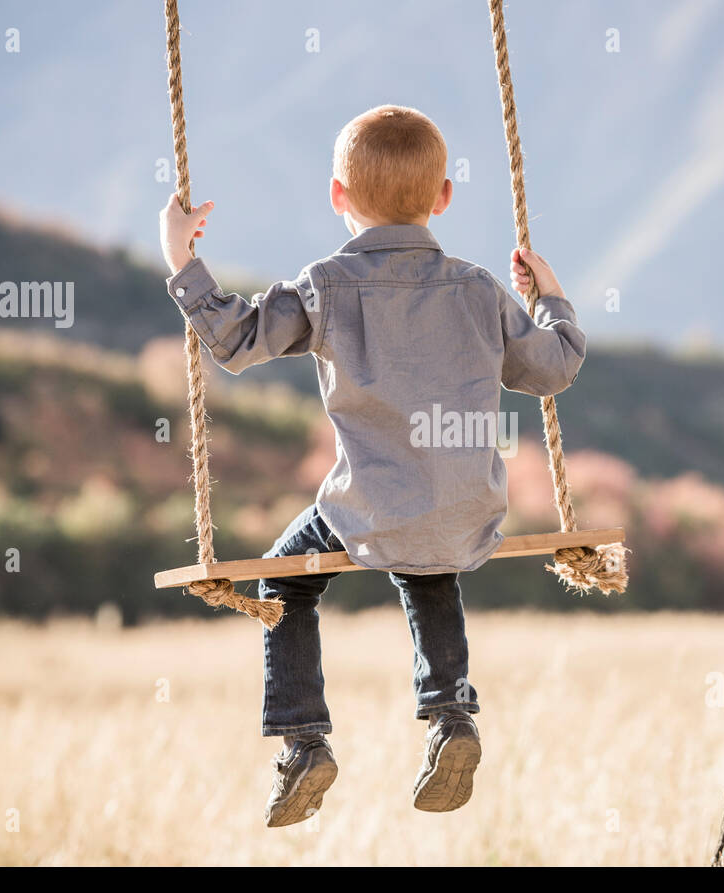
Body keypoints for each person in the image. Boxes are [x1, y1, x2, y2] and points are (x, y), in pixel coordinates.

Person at [159, 105, 585, 827]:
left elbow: (236, 342)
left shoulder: (327, 285)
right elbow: (555, 368)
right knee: (430, 562)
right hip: (468, 506)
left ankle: (303, 741)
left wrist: (182, 262)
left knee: (282, 581)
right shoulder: (479, 289)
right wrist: (552, 299)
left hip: (368, 505)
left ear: (337, 196)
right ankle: (450, 716)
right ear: (444, 196)